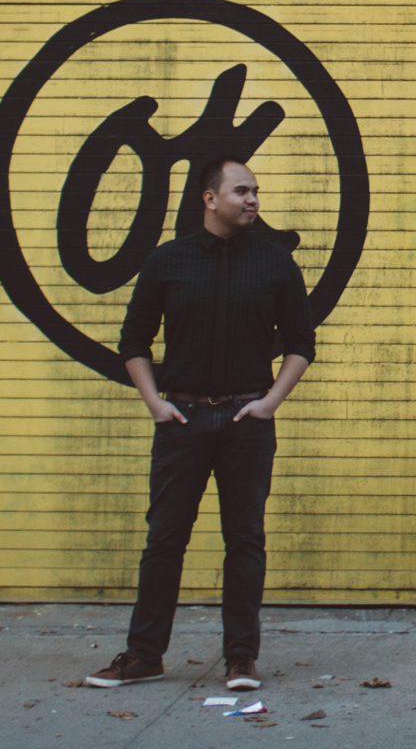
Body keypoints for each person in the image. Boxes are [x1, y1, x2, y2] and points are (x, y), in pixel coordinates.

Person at [85, 156, 315, 691]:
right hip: (182, 419)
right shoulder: (167, 261)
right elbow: (134, 341)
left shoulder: (277, 263)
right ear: (210, 199)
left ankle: (240, 659)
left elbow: (301, 344)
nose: (253, 200)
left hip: (246, 420)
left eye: (256, 190)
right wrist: (155, 403)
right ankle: (144, 656)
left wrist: (269, 403)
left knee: (245, 541)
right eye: (241, 191)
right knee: (164, 540)